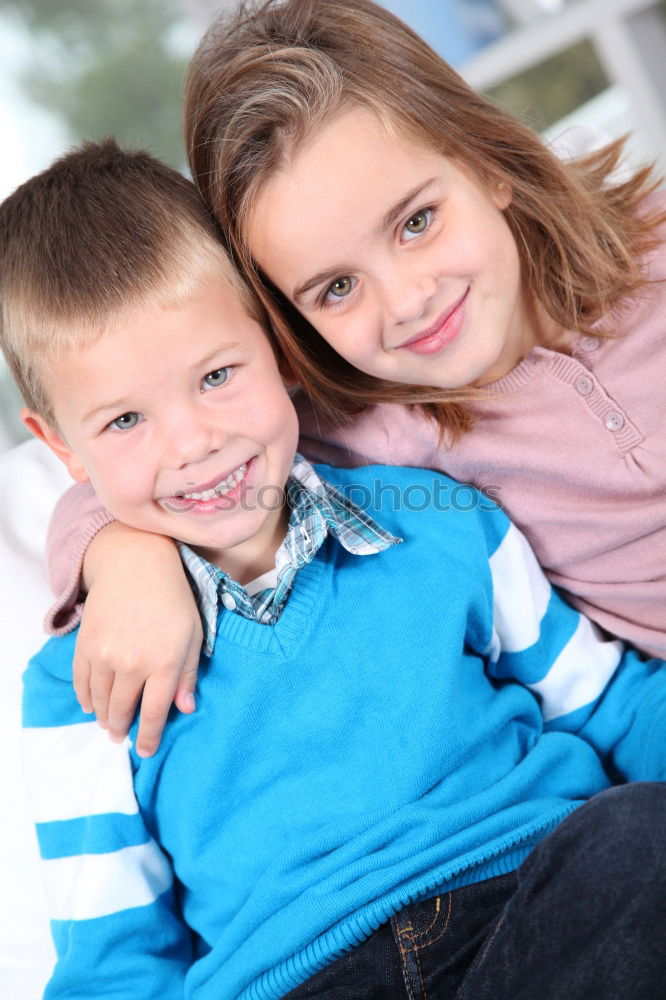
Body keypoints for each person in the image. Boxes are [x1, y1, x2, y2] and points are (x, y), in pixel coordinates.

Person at [4, 140, 666, 1000]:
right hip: (302, 975)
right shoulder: (81, 685)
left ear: (278, 350)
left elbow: (608, 702)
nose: (195, 443)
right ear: (62, 447)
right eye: (125, 420)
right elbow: (112, 954)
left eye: (216, 376)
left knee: (640, 836)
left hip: (529, 889)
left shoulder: (444, 522)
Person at [41, 0, 666, 758]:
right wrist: (123, 560)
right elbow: (143, 452)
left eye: (416, 223)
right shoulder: (371, 424)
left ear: (485, 161)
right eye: (335, 288)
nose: (407, 302)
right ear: (292, 322)